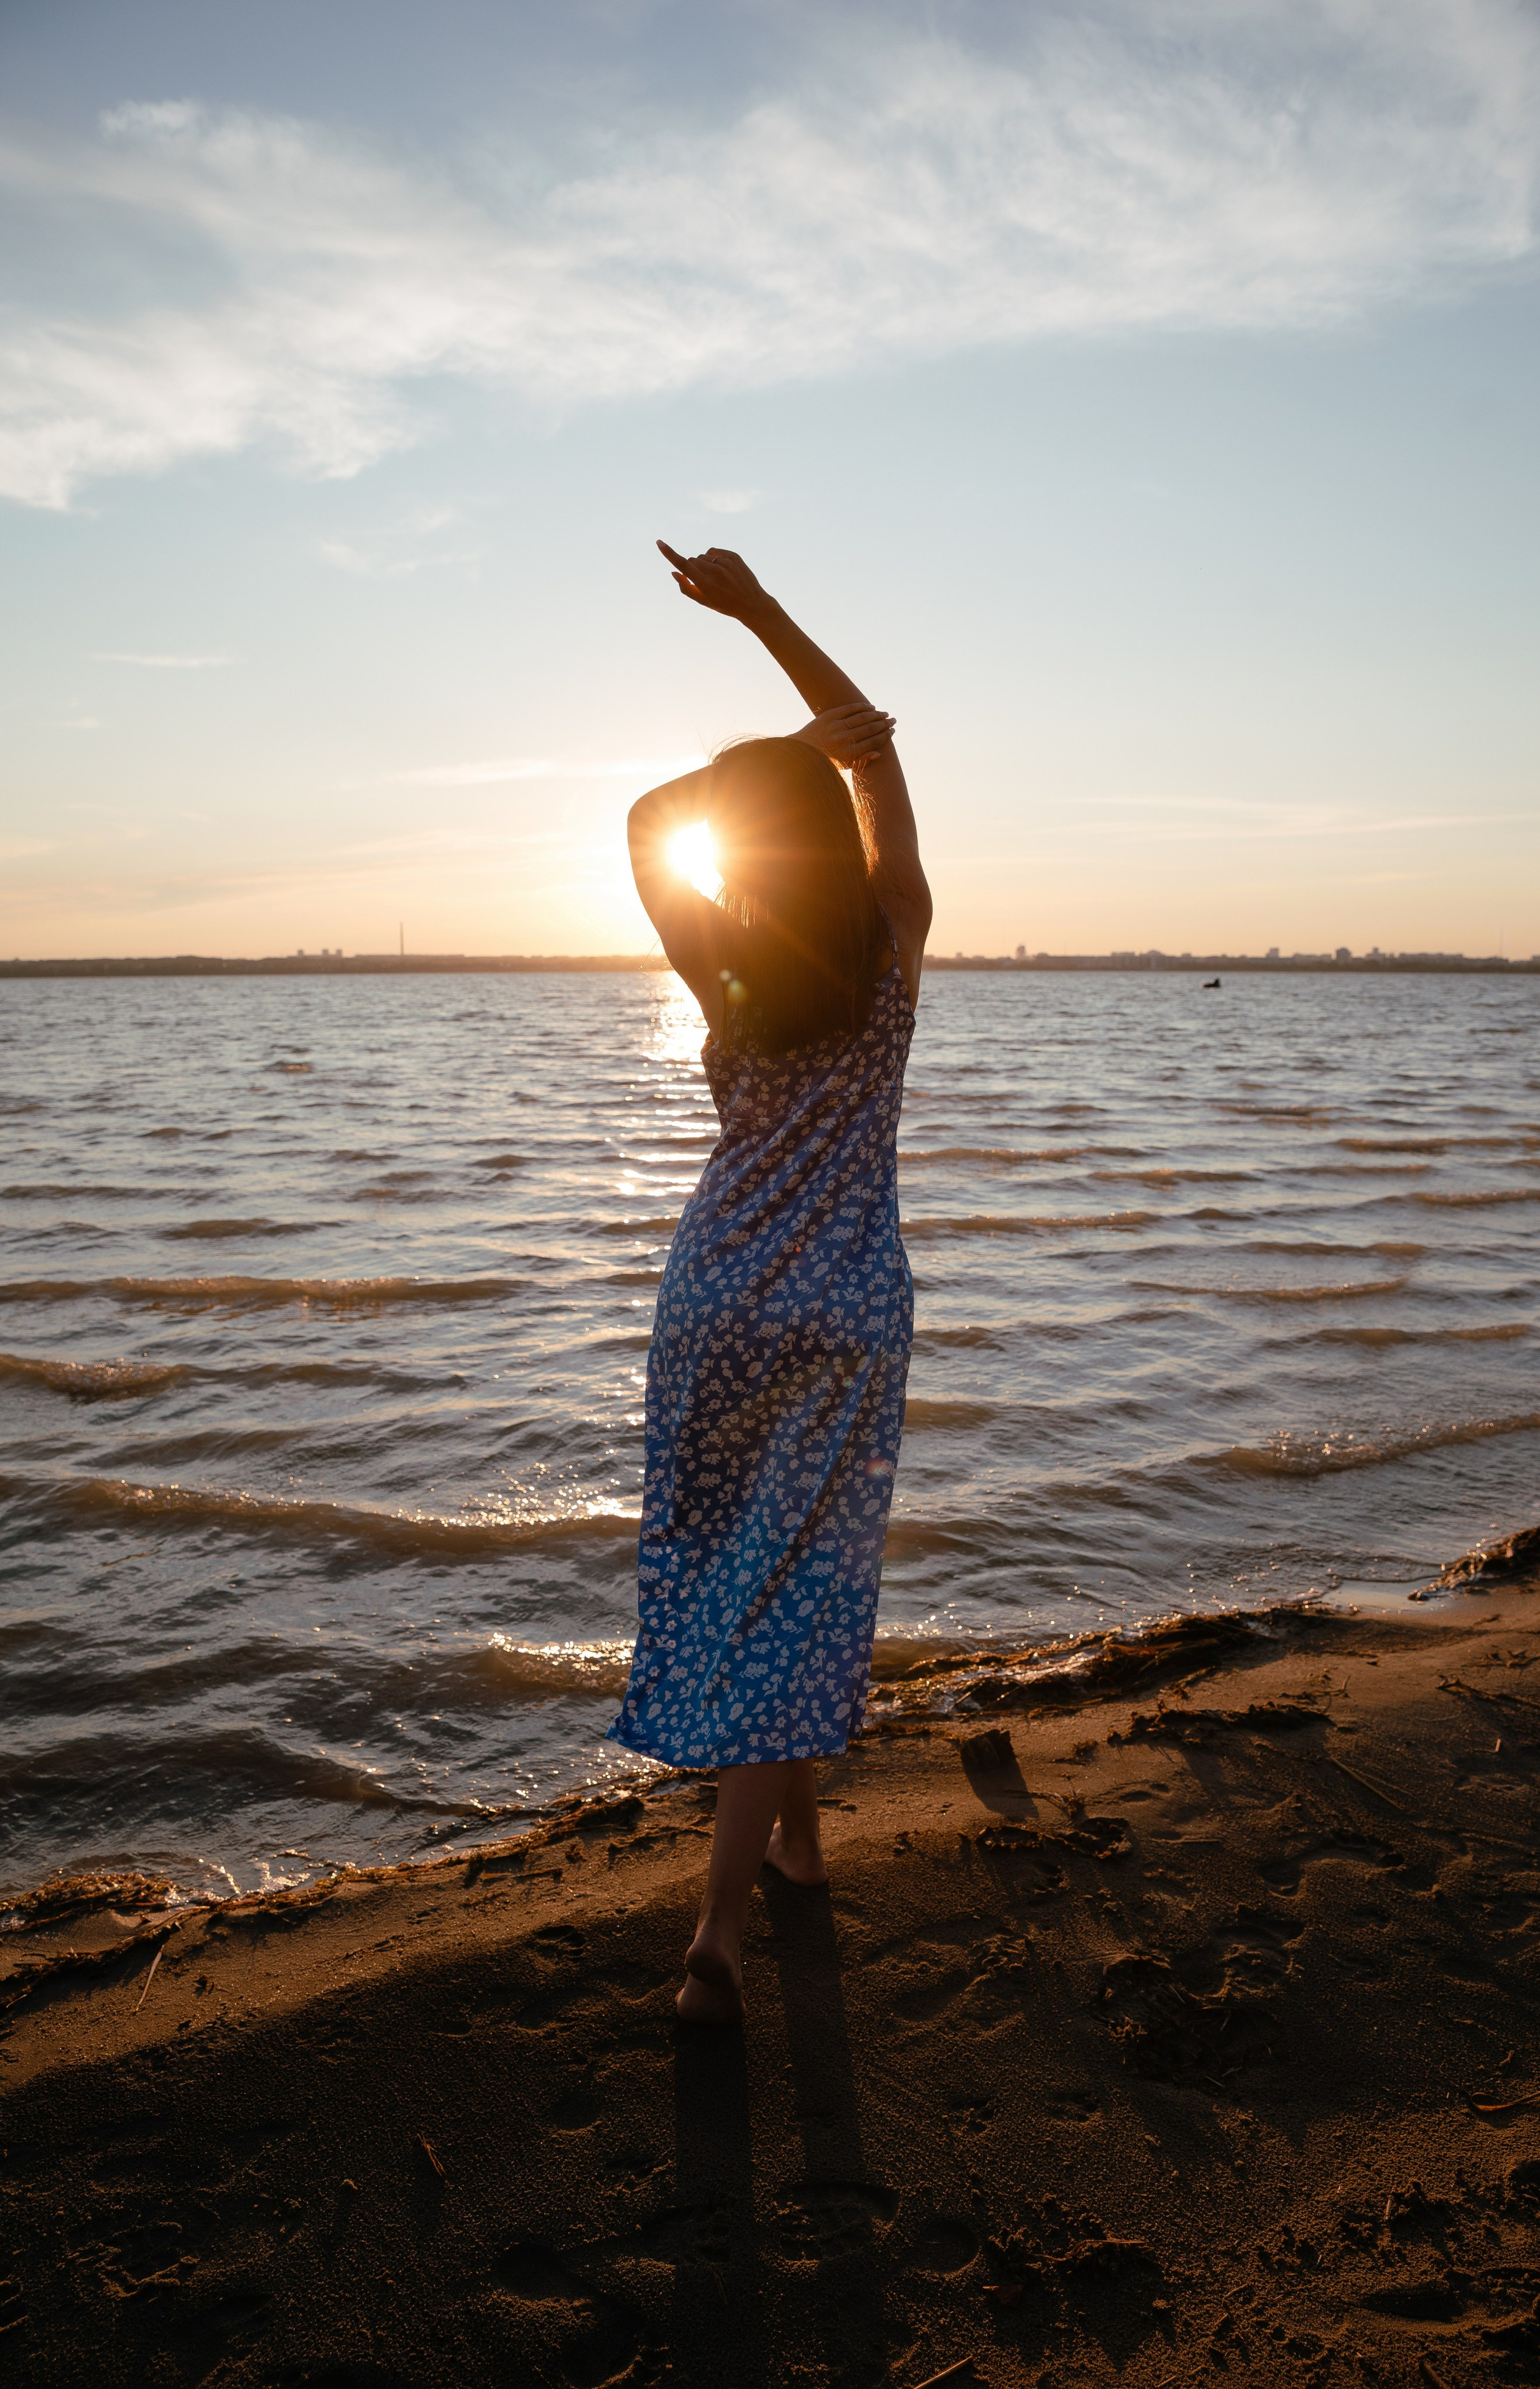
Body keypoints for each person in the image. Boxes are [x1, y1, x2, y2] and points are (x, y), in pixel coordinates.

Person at [607, 542, 932, 2023]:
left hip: (715, 1295)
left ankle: (798, 1847)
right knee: (798, 1597)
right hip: (846, 1306)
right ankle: (716, 1941)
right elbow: (873, 748)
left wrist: (758, 772)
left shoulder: (718, 964)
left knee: (745, 1573)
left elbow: (644, 818)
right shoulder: (885, 946)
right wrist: (766, 627)